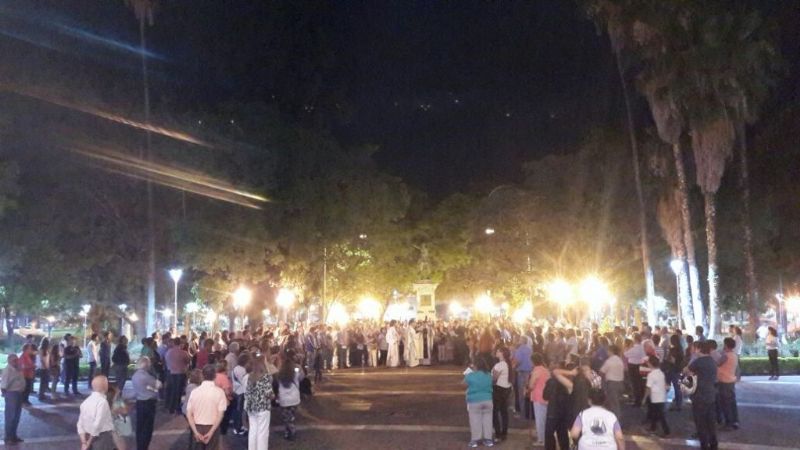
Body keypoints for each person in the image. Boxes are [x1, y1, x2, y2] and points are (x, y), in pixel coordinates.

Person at [186, 364, 229, 450]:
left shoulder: (195, 392)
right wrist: (211, 432)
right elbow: (220, 415)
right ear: (214, 375)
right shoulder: (219, 392)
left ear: (202, 375)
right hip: (213, 426)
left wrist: (195, 432)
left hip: (197, 426)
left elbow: (189, 414)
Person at [686, 340, 718, 450]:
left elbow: (686, 370)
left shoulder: (698, 361)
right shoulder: (712, 361)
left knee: (701, 423)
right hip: (711, 395)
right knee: (710, 422)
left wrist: (691, 374)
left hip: (699, 396)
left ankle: (704, 445)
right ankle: (714, 444)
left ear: (699, 349)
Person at [77, 375, 116, 450]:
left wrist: (84, 442)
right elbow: (98, 425)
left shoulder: (86, 402)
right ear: (105, 386)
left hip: (87, 435)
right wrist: (89, 442)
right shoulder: (102, 402)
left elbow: (80, 424)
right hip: (102, 437)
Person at [464, 354, 494, 448]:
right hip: (488, 399)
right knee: (488, 420)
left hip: (474, 400)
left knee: (475, 420)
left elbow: (463, 384)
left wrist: (469, 372)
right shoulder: (489, 375)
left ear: (475, 365)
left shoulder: (470, 375)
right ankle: (488, 439)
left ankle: (475, 440)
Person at [245, 358, 275, 450]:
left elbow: (247, 392)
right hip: (263, 407)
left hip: (251, 407)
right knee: (262, 432)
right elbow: (269, 393)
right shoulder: (264, 378)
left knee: (253, 430)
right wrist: (273, 396)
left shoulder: (250, 377)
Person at [132, 357, 160, 450]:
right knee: (147, 429)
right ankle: (143, 447)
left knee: (140, 427)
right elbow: (158, 385)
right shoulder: (146, 376)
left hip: (139, 401)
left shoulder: (135, 375)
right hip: (149, 403)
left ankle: (139, 446)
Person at [277, 350, 303, 441]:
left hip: (284, 399)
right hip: (294, 398)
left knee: (286, 416)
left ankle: (288, 431)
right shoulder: (296, 370)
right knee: (291, 415)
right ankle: (291, 430)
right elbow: (302, 377)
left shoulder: (280, 371)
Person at [2, 354, 26, 445]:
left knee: (16, 416)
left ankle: (13, 436)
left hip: (19, 393)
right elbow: (4, 385)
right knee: (10, 417)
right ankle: (8, 437)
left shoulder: (18, 369)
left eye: (17, 360)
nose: (16, 362)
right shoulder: (7, 370)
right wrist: (6, 395)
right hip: (11, 393)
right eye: (14, 360)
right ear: (9, 361)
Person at [717, 337, 739, 430]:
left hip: (724, 380)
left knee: (725, 403)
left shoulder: (726, 355)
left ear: (726, 345)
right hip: (731, 380)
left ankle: (728, 423)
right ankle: (735, 421)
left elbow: (717, 363)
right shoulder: (734, 355)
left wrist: (722, 352)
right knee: (732, 402)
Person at [527, 353, 550, 446]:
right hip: (546, 396)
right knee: (544, 419)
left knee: (540, 419)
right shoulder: (546, 370)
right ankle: (543, 436)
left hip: (538, 397)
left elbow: (531, 385)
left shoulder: (536, 371)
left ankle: (541, 440)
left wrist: (527, 388)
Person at [645, 356, 670, 436]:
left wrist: (644, 398)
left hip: (655, 397)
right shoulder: (661, 373)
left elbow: (648, 387)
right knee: (656, 413)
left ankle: (666, 431)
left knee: (659, 414)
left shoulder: (651, 375)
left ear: (650, 364)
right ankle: (653, 427)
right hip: (661, 395)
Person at [165, 337, 191, 414]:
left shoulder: (168, 352)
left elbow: (166, 361)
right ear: (180, 343)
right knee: (178, 391)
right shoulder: (183, 353)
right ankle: (177, 407)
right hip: (180, 373)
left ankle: (170, 407)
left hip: (170, 373)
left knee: (172, 390)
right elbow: (188, 361)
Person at [599, 344, 625, 420]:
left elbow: (601, 371)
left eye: (608, 350)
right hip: (620, 383)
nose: (607, 352)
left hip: (612, 384)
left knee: (614, 404)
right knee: (614, 402)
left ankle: (616, 420)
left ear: (611, 351)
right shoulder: (620, 360)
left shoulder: (609, 361)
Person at [491, 347, 512, 442]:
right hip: (506, 388)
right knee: (504, 412)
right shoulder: (508, 364)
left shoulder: (499, 365)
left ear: (502, 353)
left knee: (495, 412)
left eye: (498, 351)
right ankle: (504, 433)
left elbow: (494, 379)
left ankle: (498, 434)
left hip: (498, 389)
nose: (496, 352)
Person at [512, 336, 533, 417]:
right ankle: (529, 412)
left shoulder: (520, 350)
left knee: (521, 393)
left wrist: (513, 367)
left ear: (521, 341)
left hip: (521, 372)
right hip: (529, 372)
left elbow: (518, 361)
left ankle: (522, 413)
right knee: (528, 392)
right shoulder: (529, 349)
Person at [231, 353, 250, 435]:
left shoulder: (235, 368)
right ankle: (239, 427)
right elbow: (245, 381)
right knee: (241, 411)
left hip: (236, 391)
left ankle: (237, 426)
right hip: (241, 392)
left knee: (237, 410)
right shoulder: (243, 370)